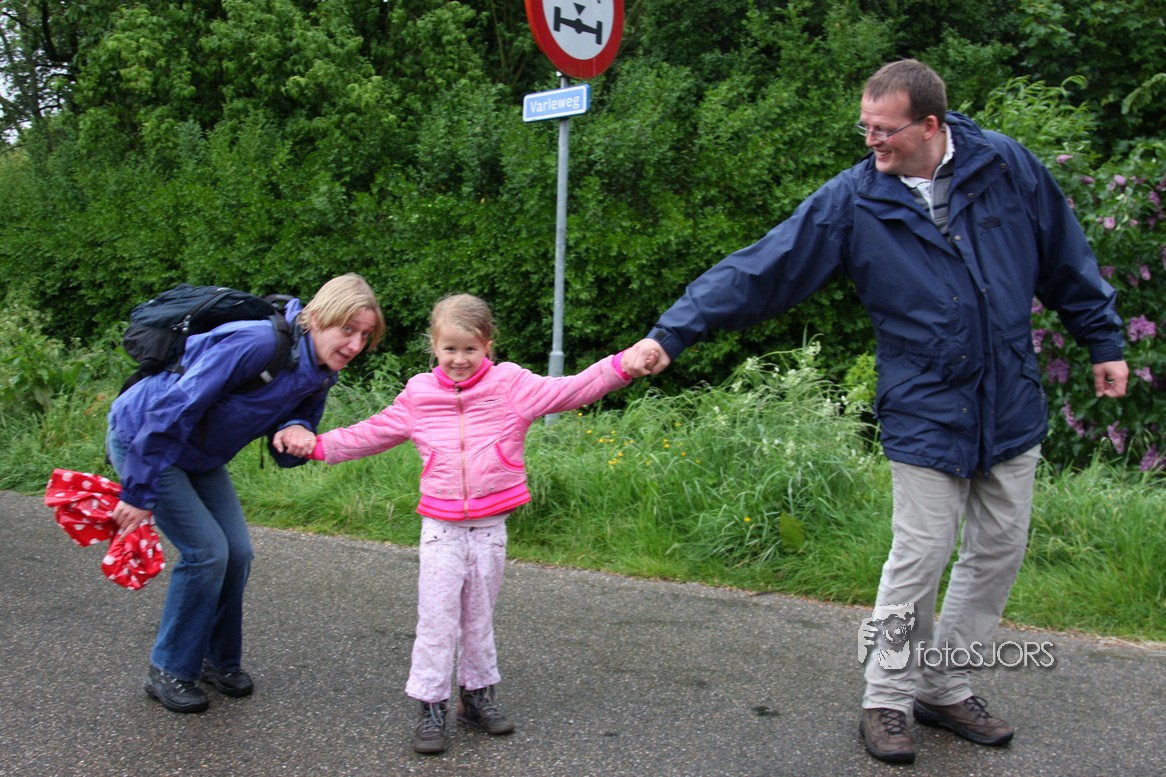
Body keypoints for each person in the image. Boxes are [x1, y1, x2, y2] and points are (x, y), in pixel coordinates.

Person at [623, 59, 1128, 765]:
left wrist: (1103, 340)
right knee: (920, 557)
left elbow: (1065, 255)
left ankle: (943, 685)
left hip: (1009, 398)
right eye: (864, 127)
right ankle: (887, 696)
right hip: (924, 402)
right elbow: (762, 268)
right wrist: (671, 333)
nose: (871, 142)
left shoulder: (1004, 166)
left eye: (883, 130)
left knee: (997, 552)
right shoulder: (855, 199)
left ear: (930, 125)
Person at [283, 293, 646, 755]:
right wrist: (317, 446)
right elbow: (371, 432)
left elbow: (573, 389)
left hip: (491, 529)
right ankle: (430, 705)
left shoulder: (511, 385)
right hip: (441, 529)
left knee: (478, 618)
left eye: (470, 349)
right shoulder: (419, 395)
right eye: (449, 348)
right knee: (437, 620)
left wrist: (623, 365)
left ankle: (476, 698)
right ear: (434, 346)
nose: (459, 359)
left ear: (487, 346)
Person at [106, 273, 385, 714]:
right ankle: (169, 668)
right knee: (207, 553)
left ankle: (216, 660)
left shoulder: (321, 372)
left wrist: (296, 430)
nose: (354, 345)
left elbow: (295, 425)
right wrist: (139, 491)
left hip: (200, 456)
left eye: (364, 335)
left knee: (238, 552)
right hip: (146, 440)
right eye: (347, 329)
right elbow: (174, 408)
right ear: (317, 318)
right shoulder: (256, 344)